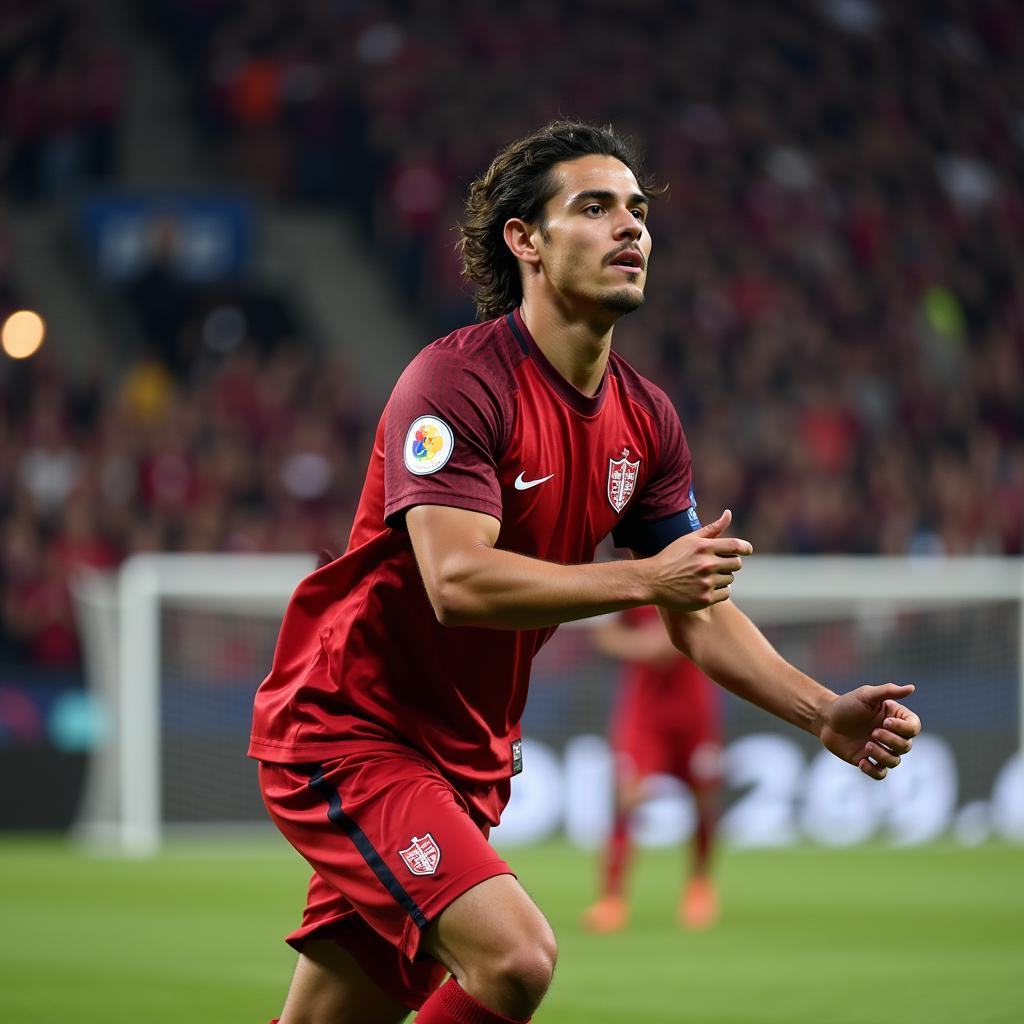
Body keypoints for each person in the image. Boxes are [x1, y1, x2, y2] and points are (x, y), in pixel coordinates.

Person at [249, 120, 921, 1024]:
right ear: (525, 240)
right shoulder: (455, 383)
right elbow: (459, 584)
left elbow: (697, 608)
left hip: (464, 759)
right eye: (595, 207)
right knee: (517, 959)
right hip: (351, 730)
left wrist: (821, 710)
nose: (631, 228)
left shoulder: (646, 420)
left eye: (638, 210)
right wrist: (648, 581)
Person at [582, 605, 723, 934]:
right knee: (627, 798)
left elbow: (723, 629)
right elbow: (604, 635)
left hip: (694, 710)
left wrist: (676, 640)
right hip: (645, 713)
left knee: (704, 797)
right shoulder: (631, 577)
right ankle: (612, 899)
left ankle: (699, 887)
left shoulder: (696, 569)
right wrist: (641, 645)